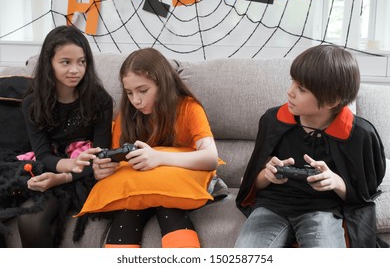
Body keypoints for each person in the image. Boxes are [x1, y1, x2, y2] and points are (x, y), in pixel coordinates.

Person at [235, 45, 386, 248]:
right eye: (292, 82)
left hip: (323, 209)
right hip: (272, 205)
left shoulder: (359, 134)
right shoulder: (273, 120)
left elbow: (364, 193)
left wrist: (335, 182)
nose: (290, 92)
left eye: (302, 89)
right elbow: (252, 183)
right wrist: (266, 175)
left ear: (332, 100)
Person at [90, 47, 219, 248]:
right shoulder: (127, 117)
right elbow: (117, 164)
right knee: (126, 215)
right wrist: (102, 170)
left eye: (143, 91)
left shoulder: (189, 108)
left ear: (163, 84)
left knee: (170, 208)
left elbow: (210, 157)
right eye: (129, 93)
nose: (136, 100)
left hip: (181, 187)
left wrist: (158, 158)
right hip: (139, 189)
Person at [18, 25, 113, 247]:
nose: (75, 70)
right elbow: (42, 154)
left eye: (81, 62)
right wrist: (65, 166)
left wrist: (67, 175)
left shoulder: (100, 100)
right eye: (66, 62)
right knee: (30, 219)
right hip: (50, 165)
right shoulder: (33, 103)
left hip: (87, 176)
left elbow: (100, 157)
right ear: (49, 63)